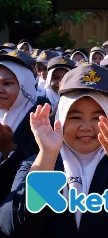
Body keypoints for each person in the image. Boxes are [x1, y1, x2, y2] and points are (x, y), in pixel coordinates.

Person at [0, 63, 108, 236]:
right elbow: (13, 227)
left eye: (98, 117)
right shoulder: (36, 163)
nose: (86, 127)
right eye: (75, 117)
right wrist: (48, 154)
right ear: (61, 118)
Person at [0, 51, 40, 202]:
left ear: (25, 87)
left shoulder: (39, 125)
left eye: (7, 83)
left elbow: (36, 183)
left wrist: (9, 150)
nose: (0, 89)